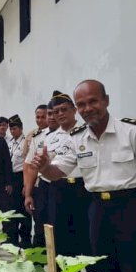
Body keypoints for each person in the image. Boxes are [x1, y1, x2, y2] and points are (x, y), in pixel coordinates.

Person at [32, 79, 136, 272]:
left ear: (106, 101)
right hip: (97, 212)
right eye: (81, 104)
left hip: (132, 209)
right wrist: (43, 168)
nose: (87, 108)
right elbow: (57, 173)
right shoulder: (77, 138)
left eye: (93, 101)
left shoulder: (132, 131)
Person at [42, 90, 89, 257]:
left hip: (83, 189)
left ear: (74, 110)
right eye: (56, 111)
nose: (60, 114)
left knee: (87, 239)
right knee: (60, 239)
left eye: (64, 109)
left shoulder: (87, 132)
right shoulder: (50, 138)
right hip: (58, 189)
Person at [22, 104, 52, 247]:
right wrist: (27, 191)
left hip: (59, 186)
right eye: (37, 117)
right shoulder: (35, 137)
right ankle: (38, 262)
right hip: (39, 186)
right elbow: (28, 165)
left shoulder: (66, 135)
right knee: (39, 224)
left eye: (43, 116)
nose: (40, 120)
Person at [3, 114, 31, 247]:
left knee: (24, 210)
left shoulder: (26, 141)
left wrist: (26, 184)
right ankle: (12, 238)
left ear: (21, 128)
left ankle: (25, 239)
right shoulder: (9, 143)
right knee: (11, 208)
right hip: (11, 178)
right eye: (11, 129)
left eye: (15, 128)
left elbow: (28, 163)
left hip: (22, 177)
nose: (12, 131)